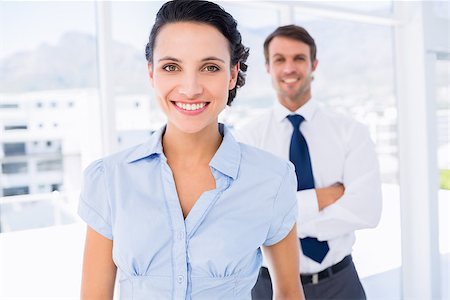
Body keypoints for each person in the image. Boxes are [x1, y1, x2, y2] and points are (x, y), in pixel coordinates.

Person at [78, 1, 305, 299]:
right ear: (151, 73)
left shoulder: (272, 179)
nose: (190, 88)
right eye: (171, 67)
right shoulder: (109, 179)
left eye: (210, 67)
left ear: (233, 74)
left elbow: (289, 294)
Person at [235, 25, 382, 300]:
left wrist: (281, 219)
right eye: (280, 59)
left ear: (313, 64)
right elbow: (249, 219)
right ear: (268, 67)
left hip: (340, 283)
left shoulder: (351, 132)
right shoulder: (247, 138)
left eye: (299, 58)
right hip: (268, 287)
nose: (289, 68)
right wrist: (321, 198)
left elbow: (367, 211)